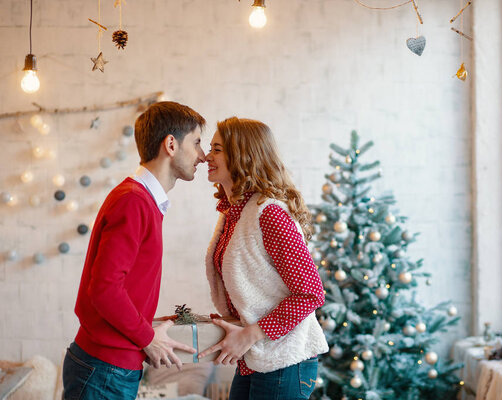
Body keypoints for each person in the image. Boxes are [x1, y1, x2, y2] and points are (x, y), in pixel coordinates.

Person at [63, 101, 207, 400]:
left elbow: (124, 287)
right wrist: (148, 338)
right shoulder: (134, 201)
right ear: (171, 144)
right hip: (104, 370)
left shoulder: (143, 200)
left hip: (110, 368)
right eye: (196, 143)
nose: (202, 155)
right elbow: (104, 289)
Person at [199, 117, 329, 400]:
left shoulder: (268, 214)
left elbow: (310, 294)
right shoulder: (232, 213)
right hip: (257, 358)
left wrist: (248, 335)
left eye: (217, 149)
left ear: (242, 154)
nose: (207, 156)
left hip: (284, 361)